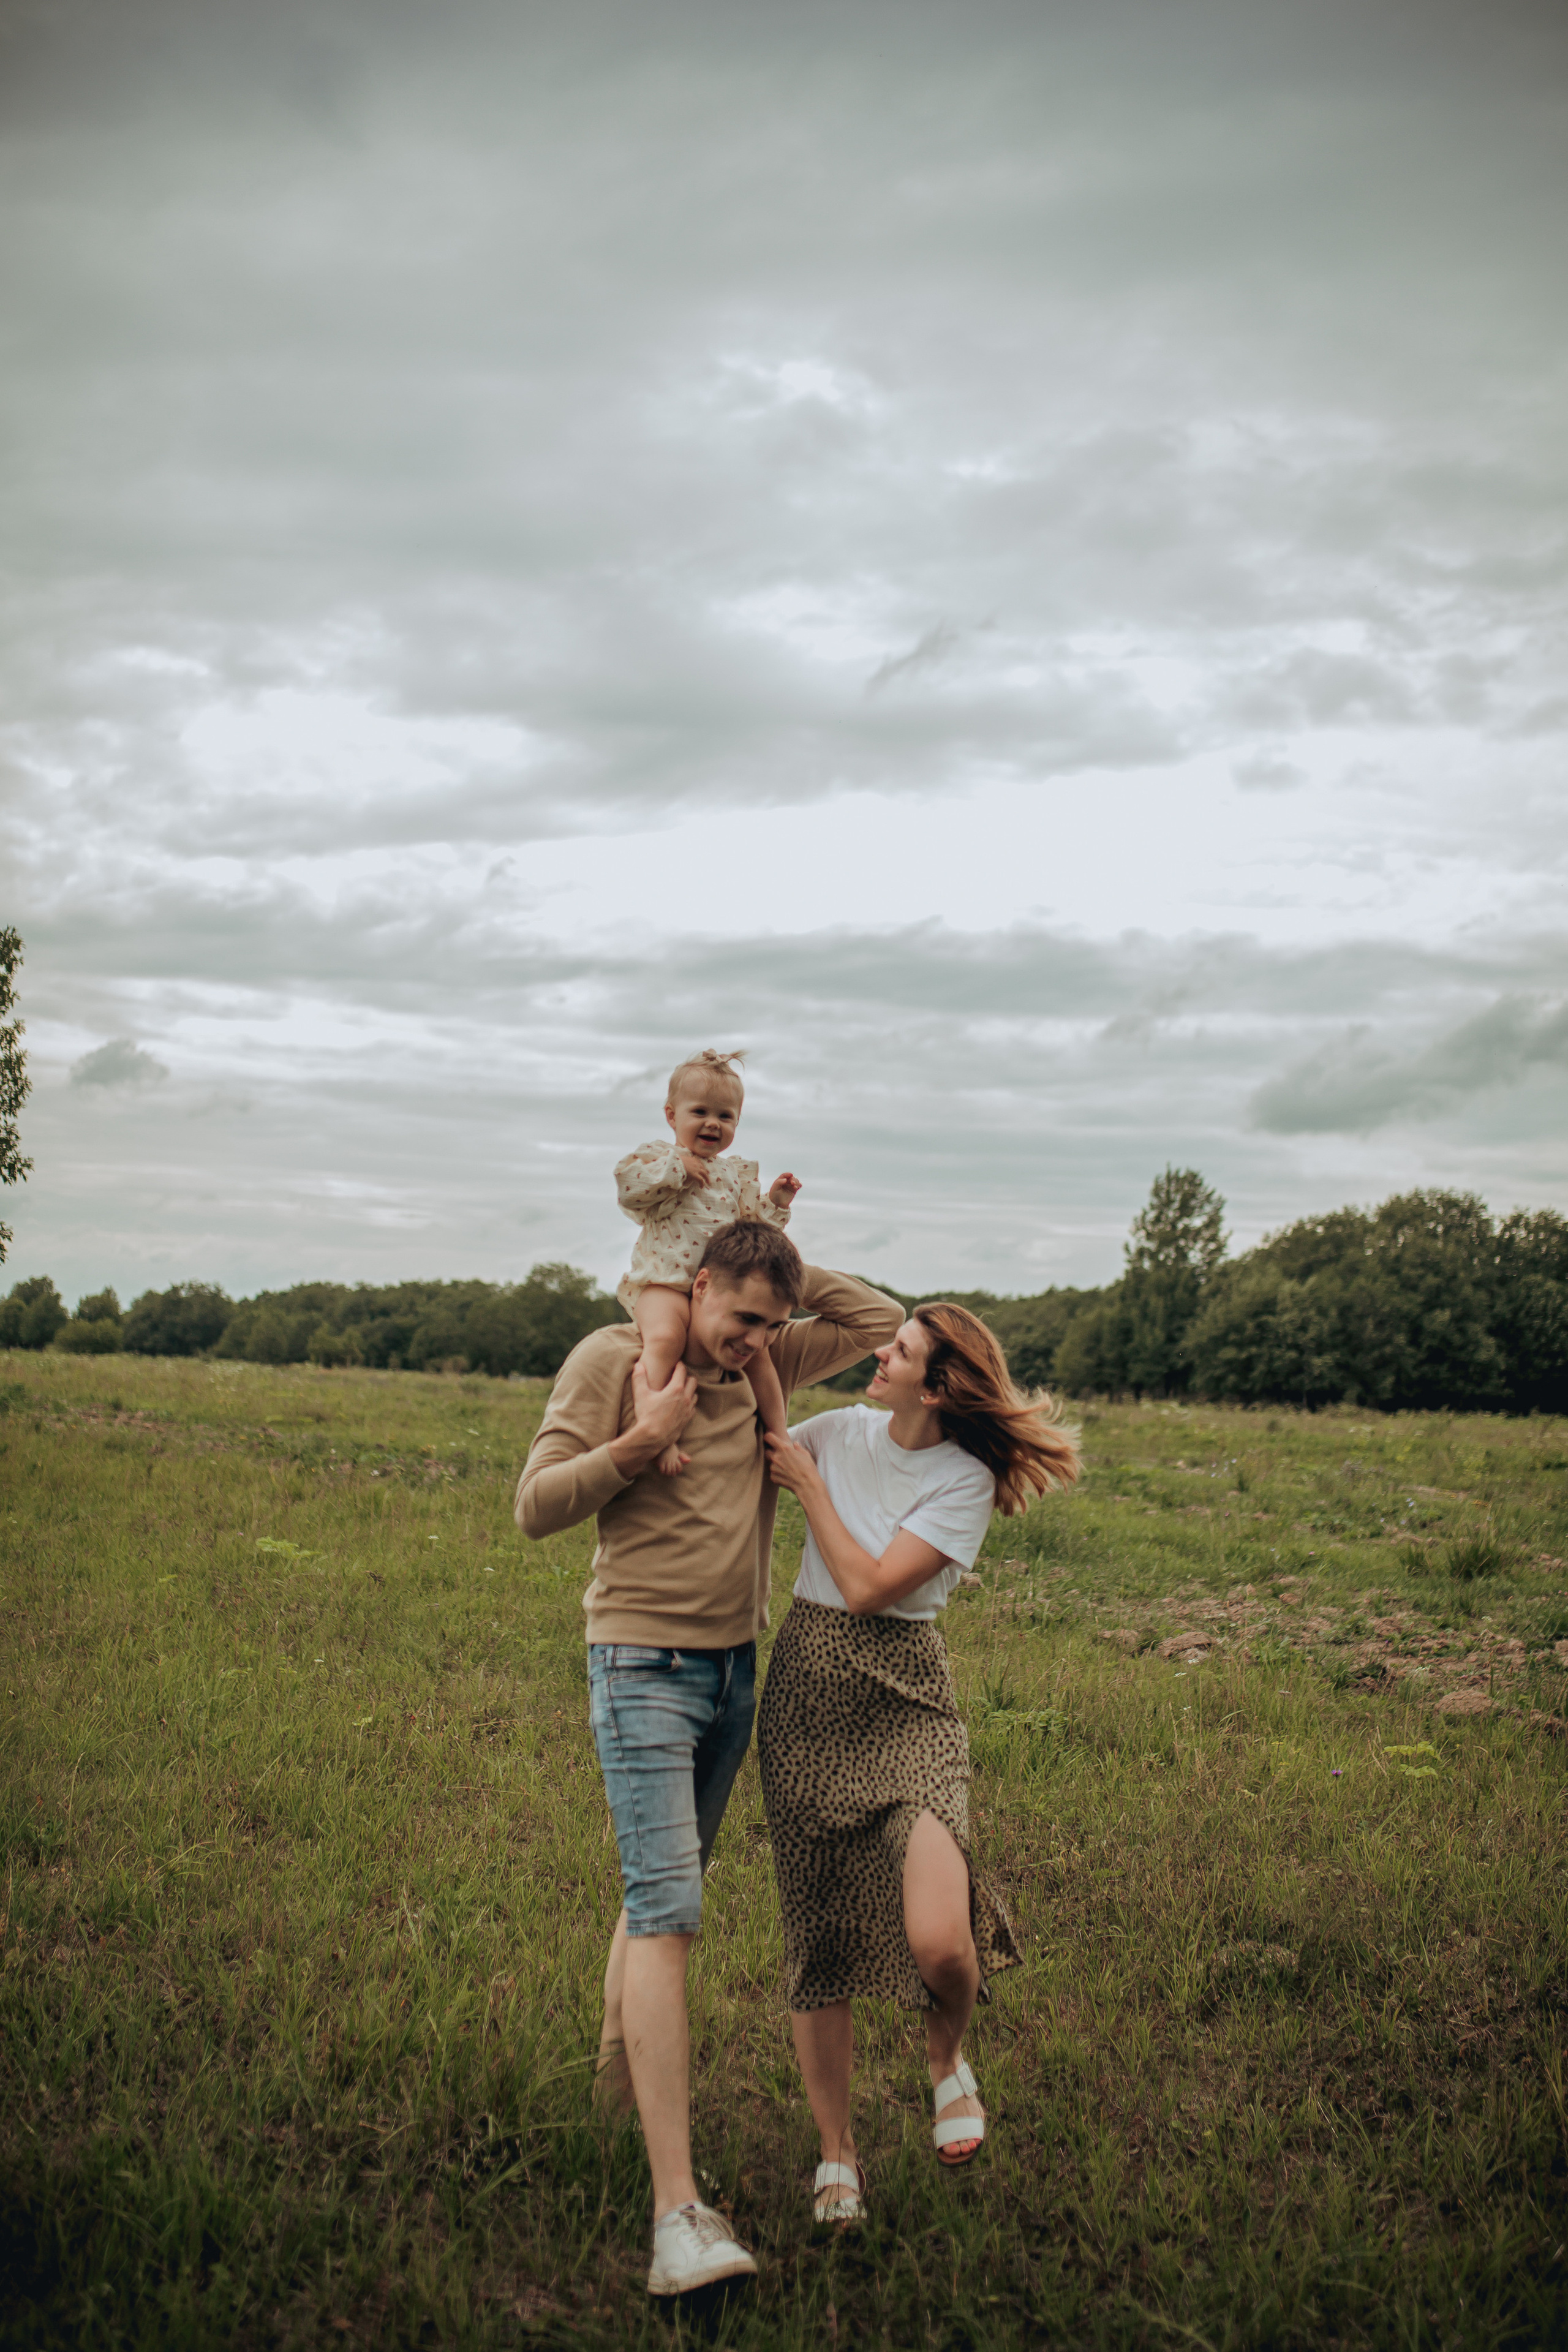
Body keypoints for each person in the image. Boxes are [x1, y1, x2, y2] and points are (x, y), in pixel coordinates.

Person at [513, 1219, 900, 2297]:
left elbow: (882, 1323)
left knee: (653, 1903)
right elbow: (534, 1507)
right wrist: (643, 1437)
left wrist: (771, 1263)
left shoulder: (762, 1352)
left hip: (735, 1677)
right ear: (690, 1290)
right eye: (739, 1317)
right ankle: (676, 2213)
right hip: (639, 1664)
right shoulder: (612, 1361)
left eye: (774, 1325)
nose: (755, 1343)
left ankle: (602, 2101)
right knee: (672, 1910)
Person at [758, 1305, 1080, 2224]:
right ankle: (837, 2156)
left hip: (905, 1699)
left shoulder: (963, 1479)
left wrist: (809, 1489)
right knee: (820, 1936)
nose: (877, 1354)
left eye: (896, 1351)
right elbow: (761, 1418)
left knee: (942, 1938)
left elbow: (866, 1589)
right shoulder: (838, 1432)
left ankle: (946, 2062)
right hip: (808, 1698)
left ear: (936, 1388)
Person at [614, 1048, 801, 1475]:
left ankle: (780, 1438)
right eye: (700, 1111)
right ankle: (656, 1428)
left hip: (720, 1292)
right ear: (671, 1116)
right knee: (664, 1339)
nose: (713, 1123)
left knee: (761, 1356)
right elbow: (629, 1190)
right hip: (664, 1283)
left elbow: (757, 1230)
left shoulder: (734, 1175)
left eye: (727, 1115)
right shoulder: (657, 1159)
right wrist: (676, 1168)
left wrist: (776, 1202)